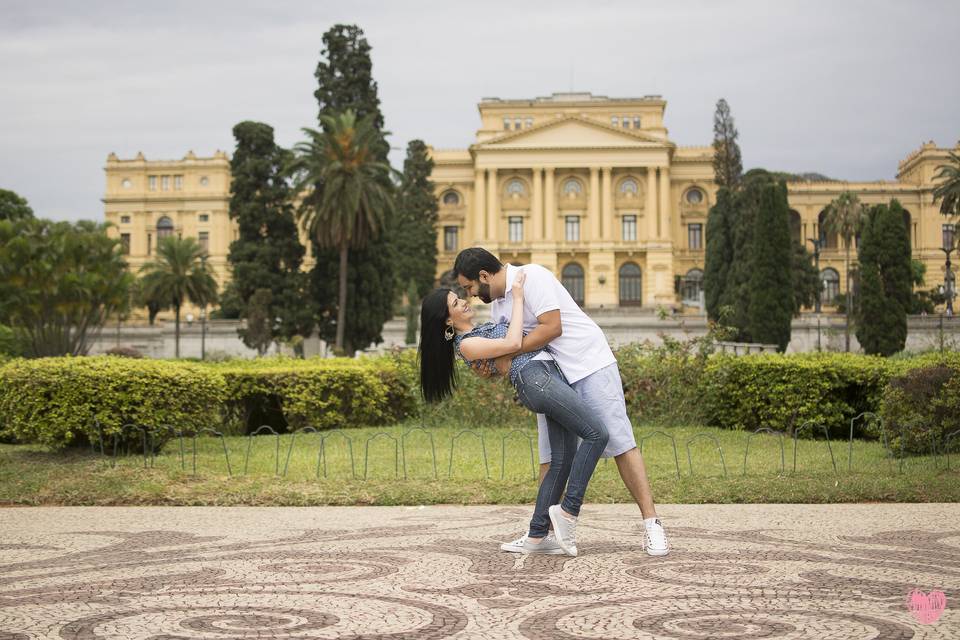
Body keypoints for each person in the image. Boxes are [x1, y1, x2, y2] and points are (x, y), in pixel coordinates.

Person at [453, 247, 669, 556]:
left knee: (621, 443)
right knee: (550, 454)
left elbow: (552, 328)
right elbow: (500, 356)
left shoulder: (533, 277)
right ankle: (541, 534)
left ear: (484, 276)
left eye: (470, 287)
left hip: (588, 364)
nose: (470, 295)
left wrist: (511, 350)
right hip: (551, 374)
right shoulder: (501, 304)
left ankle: (652, 524)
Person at [419, 270, 608, 556]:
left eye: (460, 297)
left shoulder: (479, 331)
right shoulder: (467, 345)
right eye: (456, 303)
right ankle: (569, 511)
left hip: (546, 375)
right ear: (448, 320)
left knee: (561, 459)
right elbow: (513, 344)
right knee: (597, 434)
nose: (464, 302)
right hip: (536, 379)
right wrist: (518, 296)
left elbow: (509, 349)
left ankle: (537, 535)